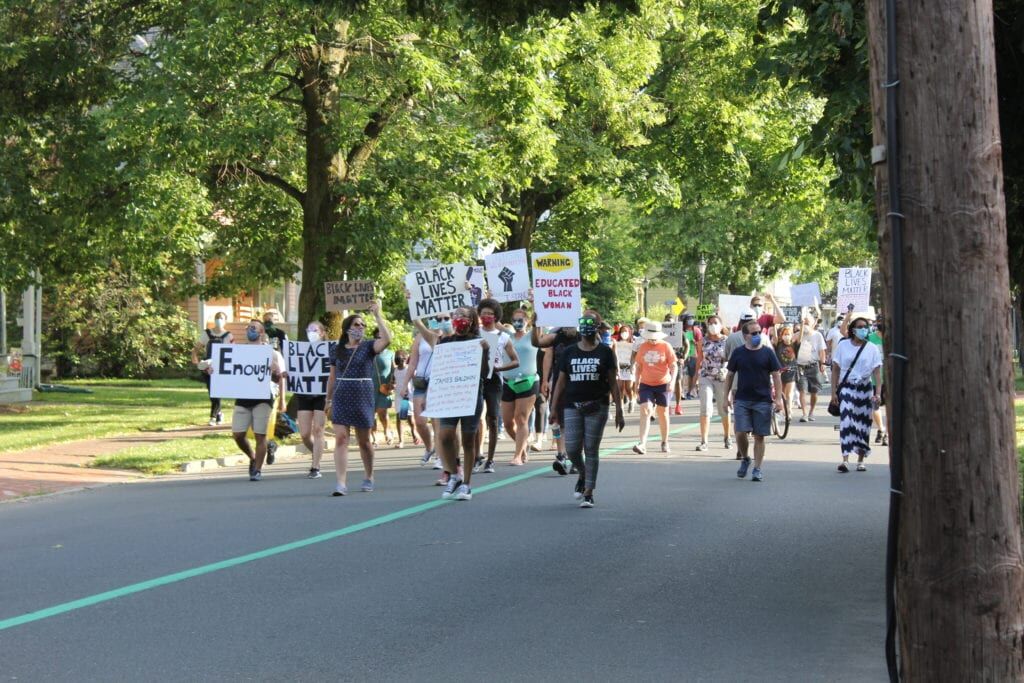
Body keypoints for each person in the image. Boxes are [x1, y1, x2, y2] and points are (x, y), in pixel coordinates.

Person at [550, 311, 625, 508]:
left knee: (591, 449)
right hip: (572, 405)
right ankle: (583, 473)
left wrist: (619, 410)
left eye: (592, 321)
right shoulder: (570, 352)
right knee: (573, 449)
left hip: (597, 405)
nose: (587, 325)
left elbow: (612, 382)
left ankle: (589, 492)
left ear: (598, 326)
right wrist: (553, 407)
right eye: (584, 320)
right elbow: (560, 381)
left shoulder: (605, 352)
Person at [418, 306, 490, 501]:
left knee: (468, 440)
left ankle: (466, 484)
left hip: (471, 395)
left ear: (472, 320)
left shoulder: (479, 342)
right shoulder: (445, 342)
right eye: (456, 315)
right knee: (445, 435)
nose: (459, 319)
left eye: (464, 316)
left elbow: (484, 374)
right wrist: (428, 396)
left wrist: (484, 351)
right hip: (449, 395)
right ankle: (453, 473)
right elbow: (438, 370)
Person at [325, 301, 391, 496]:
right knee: (341, 438)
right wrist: (328, 400)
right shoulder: (336, 350)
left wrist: (378, 315)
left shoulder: (369, 346)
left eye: (363, 325)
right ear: (347, 329)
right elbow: (332, 376)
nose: (360, 327)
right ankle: (341, 482)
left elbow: (387, 339)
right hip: (341, 394)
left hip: (362, 394)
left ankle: (369, 476)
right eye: (356, 325)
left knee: (364, 441)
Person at [210, 320, 286, 482]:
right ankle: (253, 457)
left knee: (260, 435)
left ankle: (257, 470)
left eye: (254, 328)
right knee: (238, 434)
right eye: (248, 327)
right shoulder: (238, 351)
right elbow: (226, 369)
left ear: (261, 333)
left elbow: (281, 377)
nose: (250, 330)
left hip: (263, 398)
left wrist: (282, 398)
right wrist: (213, 370)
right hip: (243, 397)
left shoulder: (271, 353)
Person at [725, 320, 783, 482]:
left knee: (759, 436)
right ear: (745, 336)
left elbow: (776, 376)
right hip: (742, 399)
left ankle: (757, 469)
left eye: (759, 332)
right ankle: (745, 458)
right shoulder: (738, 353)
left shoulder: (768, 352)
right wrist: (725, 398)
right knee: (740, 432)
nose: (758, 335)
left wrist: (778, 399)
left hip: (762, 400)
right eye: (754, 333)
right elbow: (729, 375)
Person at [829, 317, 883, 473]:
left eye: (865, 327)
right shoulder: (843, 346)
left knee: (863, 424)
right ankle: (845, 459)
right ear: (853, 329)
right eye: (860, 327)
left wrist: (878, 394)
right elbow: (835, 370)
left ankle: (860, 460)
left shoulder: (872, 348)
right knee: (846, 420)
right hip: (846, 388)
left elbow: (877, 374)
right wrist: (834, 392)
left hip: (865, 389)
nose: (863, 329)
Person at [476, 298, 520, 473]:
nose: (486, 316)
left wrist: (500, 367)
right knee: (475, 418)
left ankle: (490, 459)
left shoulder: (503, 337)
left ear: (496, 317)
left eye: (490, 314)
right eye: (484, 313)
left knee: (493, 418)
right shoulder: (474, 333)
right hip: (476, 379)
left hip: (494, 380)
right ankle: (476, 455)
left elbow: (516, 361)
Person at [403, 315, 450, 474]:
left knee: (437, 421)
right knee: (420, 420)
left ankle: (439, 455)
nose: (439, 320)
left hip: (438, 383)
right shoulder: (419, 337)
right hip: (421, 382)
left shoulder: (448, 337)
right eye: (436, 317)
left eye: (444, 317)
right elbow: (413, 363)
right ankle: (429, 447)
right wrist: (404, 384)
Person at [632, 320, 677, 455]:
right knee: (645, 410)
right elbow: (638, 367)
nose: (652, 341)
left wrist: (673, 381)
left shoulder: (666, 346)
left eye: (654, 338)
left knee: (662, 413)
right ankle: (642, 443)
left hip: (663, 384)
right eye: (650, 338)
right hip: (646, 384)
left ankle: (664, 441)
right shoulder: (642, 347)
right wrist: (636, 383)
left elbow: (674, 365)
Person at [501, 309, 538, 466]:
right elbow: (490, 319)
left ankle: (517, 456)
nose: (517, 323)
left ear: (527, 321)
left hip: (528, 381)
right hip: (508, 381)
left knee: (521, 418)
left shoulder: (532, 335)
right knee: (508, 422)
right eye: (515, 320)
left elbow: (539, 319)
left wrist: (534, 301)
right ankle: (523, 446)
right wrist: (486, 298)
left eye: (521, 320)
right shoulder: (506, 336)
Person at [695, 315, 732, 451]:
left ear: (721, 325)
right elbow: (699, 360)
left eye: (715, 323)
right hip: (706, 377)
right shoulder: (703, 341)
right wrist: (694, 380)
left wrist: (728, 371)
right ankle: (704, 441)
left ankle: (727, 437)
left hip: (722, 378)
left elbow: (733, 359)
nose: (712, 325)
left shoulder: (727, 341)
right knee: (705, 408)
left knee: (724, 409)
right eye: (710, 323)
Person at [297, 320, 328, 479]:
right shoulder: (300, 350)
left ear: (322, 333)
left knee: (318, 429)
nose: (311, 332)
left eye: (315, 330)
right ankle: (317, 451)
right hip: (305, 393)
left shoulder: (329, 350)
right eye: (309, 329)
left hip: (322, 394)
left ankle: (315, 466)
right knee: (304, 433)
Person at [193, 312, 233, 426]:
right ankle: (219, 412)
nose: (219, 320)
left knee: (217, 391)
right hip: (208, 366)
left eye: (221, 318)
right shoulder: (207, 334)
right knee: (212, 391)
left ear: (225, 321)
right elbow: (196, 348)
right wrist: (195, 359)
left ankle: (213, 416)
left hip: (221, 367)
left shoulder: (229, 336)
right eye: (217, 318)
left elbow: (234, 351)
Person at [795, 312, 827, 421]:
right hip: (800, 367)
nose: (806, 324)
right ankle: (804, 414)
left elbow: (822, 350)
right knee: (802, 390)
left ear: (813, 323)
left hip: (813, 366)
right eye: (804, 322)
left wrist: (822, 364)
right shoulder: (798, 334)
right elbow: (792, 344)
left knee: (814, 391)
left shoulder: (817, 335)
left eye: (808, 322)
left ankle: (811, 412)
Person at [371, 330, 396, 445]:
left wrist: (392, 383)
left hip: (384, 388)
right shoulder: (369, 353)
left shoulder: (391, 353)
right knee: (371, 414)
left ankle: (387, 430)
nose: (379, 340)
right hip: (369, 387)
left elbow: (394, 370)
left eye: (382, 338)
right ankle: (374, 437)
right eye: (377, 337)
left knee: (382, 412)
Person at [774, 325, 800, 419]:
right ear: (782, 335)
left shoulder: (794, 345)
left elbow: (799, 337)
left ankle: (788, 411)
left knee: (789, 394)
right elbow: (775, 337)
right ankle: (784, 410)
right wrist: (774, 325)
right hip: (780, 373)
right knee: (782, 394)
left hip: (791, 372)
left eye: (788, 334)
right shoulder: (778, 344)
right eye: (785, 334)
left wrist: (801, 324)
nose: (787, 336)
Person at [392, 350, 416, 448]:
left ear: (405, 359)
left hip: (407, 396)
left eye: (402, 357)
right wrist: (391, 386)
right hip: (399, 396)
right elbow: (393, 381)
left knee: (410, 419)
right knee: (399, 418)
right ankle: (401, 441)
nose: (400, 360)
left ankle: (414, 434)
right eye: (398, 357)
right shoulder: (395, 370)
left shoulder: (410, 369)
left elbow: (415, 380)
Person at [615, 324, 637, 412]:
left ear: (629, 333)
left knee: (628, 388)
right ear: (620, 333)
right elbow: (614, 355)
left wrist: (632, 366)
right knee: (619, 388)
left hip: (629, 367)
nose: (624, 333)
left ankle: (631, 401)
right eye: (622, 331)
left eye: (626, 331)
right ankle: (621, 407)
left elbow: (634, 356)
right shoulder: (616, 343)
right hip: (619, 367)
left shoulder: (633, 344)